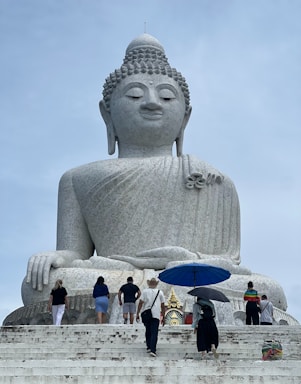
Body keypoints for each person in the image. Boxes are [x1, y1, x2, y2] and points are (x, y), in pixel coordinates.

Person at [24, 33, 247, 301]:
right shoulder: (77, 179)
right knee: (40, 284)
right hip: (115, 275)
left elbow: (229, 262)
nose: (152, 102)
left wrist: (185, 260)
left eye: (166, 96)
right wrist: (56, 257)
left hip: (185, 274)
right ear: (107, 114)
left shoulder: (214, 180)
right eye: (134, 94)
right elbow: (75, 254)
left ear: (185, 117)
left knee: (265, 289)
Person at [136, 278, 165, 357]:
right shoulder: (160, 292)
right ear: (156, 284)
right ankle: (153, 350)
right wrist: (164, 316)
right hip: (156, 314)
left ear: (149, 284)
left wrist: (137, 313)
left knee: (148, 330)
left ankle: (149, 346)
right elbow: (163, 305)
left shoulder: (145, 291)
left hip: (147, 313)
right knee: (154, 332)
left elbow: (141, 303)